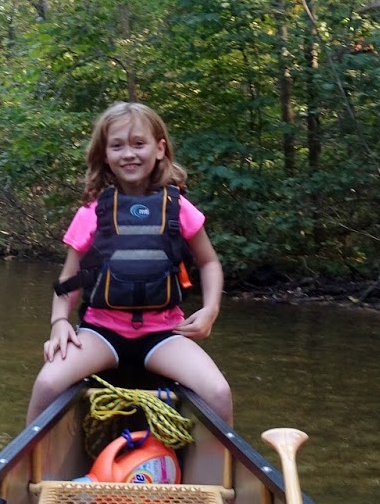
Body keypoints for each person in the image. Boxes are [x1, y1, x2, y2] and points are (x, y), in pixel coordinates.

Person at [27, 101, 232, 425]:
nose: (129, 154)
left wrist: (210, 310)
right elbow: (70, 279)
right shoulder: (91, 212)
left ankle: (216, 474)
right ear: (105, 154)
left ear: (160, 149)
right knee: (48, 384)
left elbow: (209, 263)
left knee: (218, 393)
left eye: (139, 144)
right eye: (118, 145)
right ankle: (30, 467)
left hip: (165, 332)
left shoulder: (179, 208)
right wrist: (59, 322)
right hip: (101, 333)